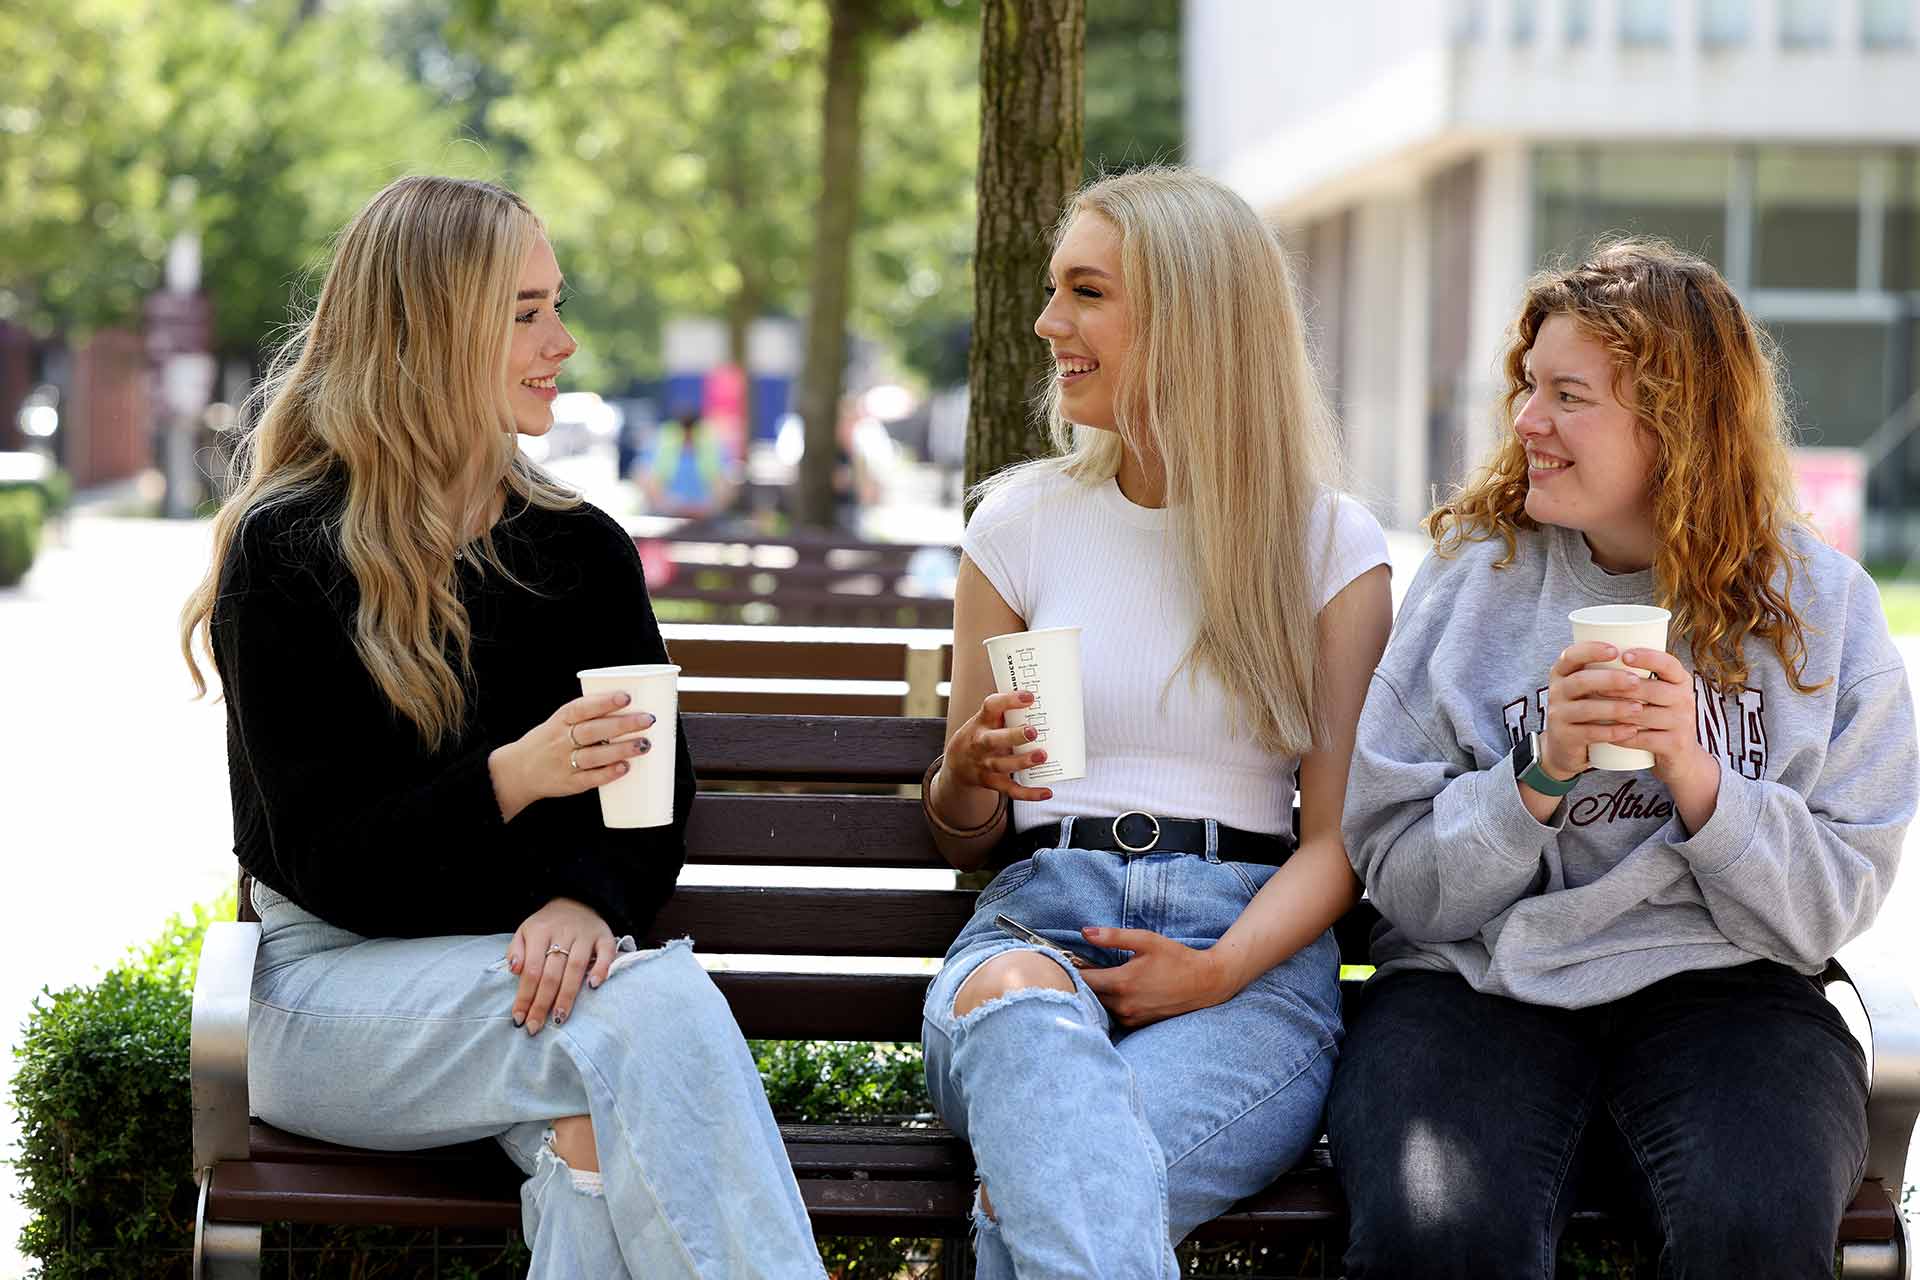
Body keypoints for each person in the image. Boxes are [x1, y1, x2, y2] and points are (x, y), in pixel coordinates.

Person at [178, 176, 825, 1280]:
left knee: (597, 1139)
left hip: (530, 993)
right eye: (524, 311)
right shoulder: (288, 548)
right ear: (428, 328)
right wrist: (513, 777)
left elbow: (649, 791)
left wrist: (589, 896)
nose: (562, 341)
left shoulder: (582, 552)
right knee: (652, 1007)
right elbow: (327, 861)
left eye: (555, 304)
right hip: (327, 995)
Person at [1330, 239, 1917, 1278]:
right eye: (1528, 386)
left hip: (1730, 989)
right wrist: (1537, 775)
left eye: (1567, 395)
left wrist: (1699, 778)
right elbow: (1401, 874)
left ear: (1677, 426)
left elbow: (1834, 899)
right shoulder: (1472, 587)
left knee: (1755, 1224)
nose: (1526, 421)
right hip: (1477, 982)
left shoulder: (1822, 608)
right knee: (1441, 1233)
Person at [917, 166, 1393, 1277]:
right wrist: (969, 772)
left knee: (1038, 1185)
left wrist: (1216, 970)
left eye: (1085, 292)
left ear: (1190, 317)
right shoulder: (1021, 520)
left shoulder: (1330, 546)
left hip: (1249, 967)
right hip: (1035, 931)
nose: (1048, 324)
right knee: (1045, 1095)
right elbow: (960, 831)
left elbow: (1338, 843)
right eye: (1052, 289)